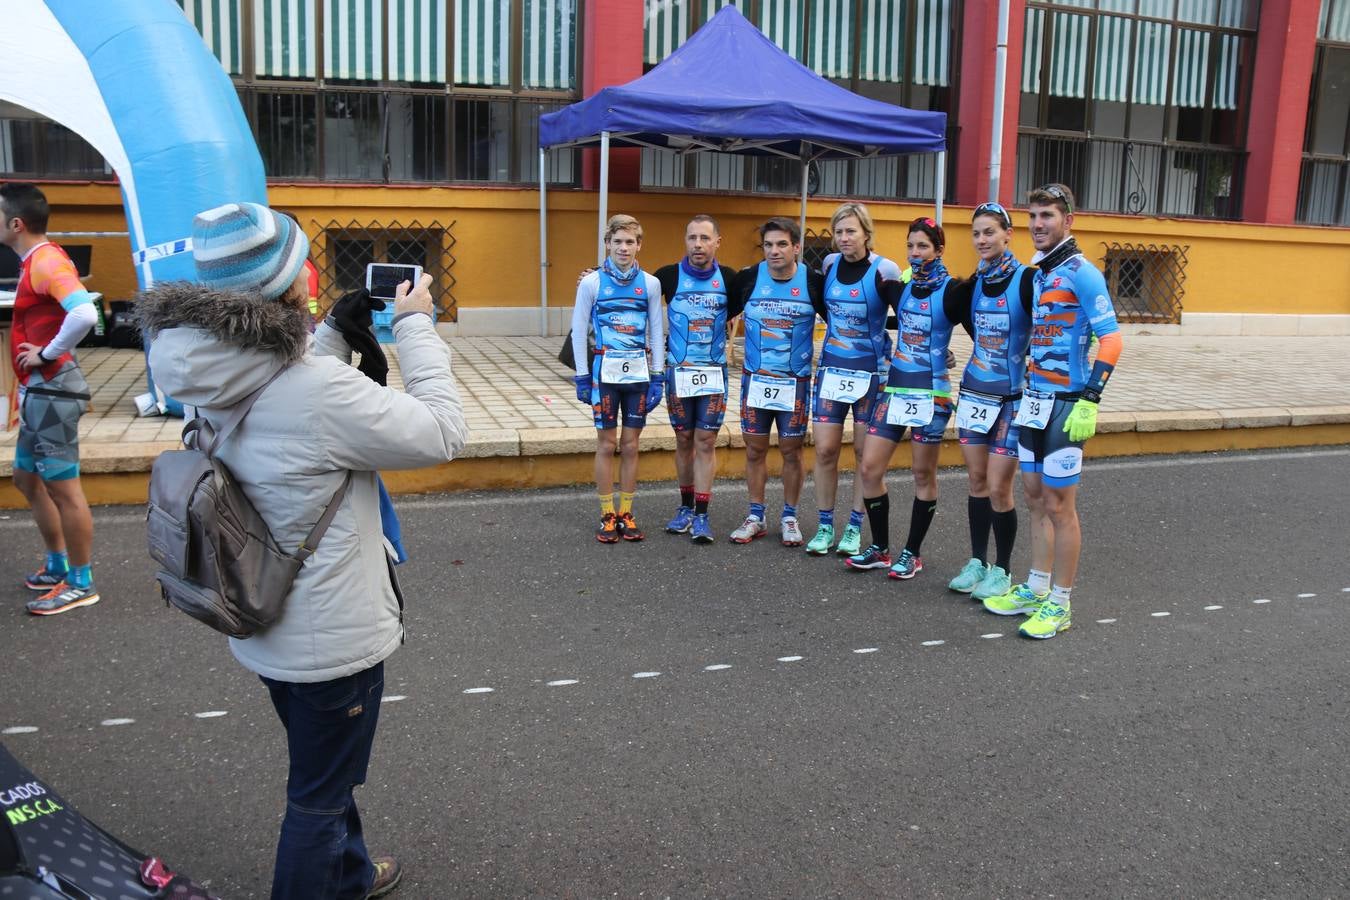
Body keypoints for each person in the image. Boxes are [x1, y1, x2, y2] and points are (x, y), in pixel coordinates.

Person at [137, 201, 467, 897]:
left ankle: (346, 876)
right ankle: (323, 875)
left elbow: (277, 392)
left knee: (326, 771)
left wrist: (332, 339)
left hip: (262, 618)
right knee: (316, 797)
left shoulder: (205, 366)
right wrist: (416, 326)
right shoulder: (319, 391)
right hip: (329, 640)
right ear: (295, 285)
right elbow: (441, 433)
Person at [982, 184, 1122, 639]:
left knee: (1061, 505)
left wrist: (1091, 399)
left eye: (1048, 216)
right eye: (1034, 216)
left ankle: (1060, 603)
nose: (1039, 224)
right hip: (1034, 401)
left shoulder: (1084, 273)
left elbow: (1113, 339)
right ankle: (1036, 587)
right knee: (1035, 497)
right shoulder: (1040, 273)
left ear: (1068, 221)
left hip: (1067, 406)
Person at [846, 217, 967, 578]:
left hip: (932, 393)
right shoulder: (898, 288)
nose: (916, 253)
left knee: (921, 473)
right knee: (869, 468)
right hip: (895, 389)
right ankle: (881, 548)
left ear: (939, 250)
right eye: (911, 246)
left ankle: (911, 553)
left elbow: (984, 326)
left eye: (924, 246)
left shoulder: (952, 291)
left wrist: (952, 354)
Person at [1, 183, 101, 616]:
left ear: (15, 223)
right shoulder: (35, 260)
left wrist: (46, 353)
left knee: (64, 489)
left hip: (54, 392)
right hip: (40, 392)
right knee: (27, 479)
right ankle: (58, 564)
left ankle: (81, 582)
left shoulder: (44, 262)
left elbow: (84, 312)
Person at [947, 202, 1035, 602]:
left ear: (1007, 235)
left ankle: (1003, 569)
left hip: (1013, 399)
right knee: (977, 481)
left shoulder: (1027, 281)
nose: (982, 240)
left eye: (989, 232)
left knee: (1001, 487)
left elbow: (1054, 328)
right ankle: (977, 561)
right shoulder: (972, 285)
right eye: (976, 233)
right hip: (973, 395)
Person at [807, 203, 904, 558]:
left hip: (871, 376)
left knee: (865, 457)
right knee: (825, 450)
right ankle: (824, 524)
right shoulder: (830, 265)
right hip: (831, 372)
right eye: (839, 232)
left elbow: (905, 316)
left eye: (851, 231)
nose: (844, 238)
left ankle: (854, 526)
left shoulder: (885, 268)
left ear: (866, 233)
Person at [728, 217, 826, 546]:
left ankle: (789, 516)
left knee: (791, 451)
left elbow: (841, 317)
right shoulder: (748, 278)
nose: (774, 251)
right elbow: (717, 307)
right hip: (755, 381)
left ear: (796, 247)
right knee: (755, 450)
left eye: (782, 244)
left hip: (795, 384)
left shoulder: (812, 281)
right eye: (768, 244)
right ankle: (755, 515)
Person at [571, 214, 665, 543]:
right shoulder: (592, 283)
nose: (623, 248)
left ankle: (627, 511)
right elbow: (579, 330)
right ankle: (607, 513)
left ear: (639, 245)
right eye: (617, 241)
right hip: (604, 375)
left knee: (631, 445)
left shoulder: (651, 284)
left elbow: (656, 331)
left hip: (638, 374)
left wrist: (658, 376)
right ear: (607, 244)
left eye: (630, 242)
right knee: (607, 444)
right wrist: (582, 377)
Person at [653, 215, 738, 544]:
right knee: (684, 440)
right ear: (685, 241)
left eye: (705, 238)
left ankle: (702, 514)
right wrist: (593, 278)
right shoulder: (667, 276)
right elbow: (633, 291)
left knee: (705, 442)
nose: (698, 244)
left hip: (714, 375)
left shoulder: (729, 278)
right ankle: (685, 507)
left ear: (718, 241)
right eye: (692, 238)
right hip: (679, 375)